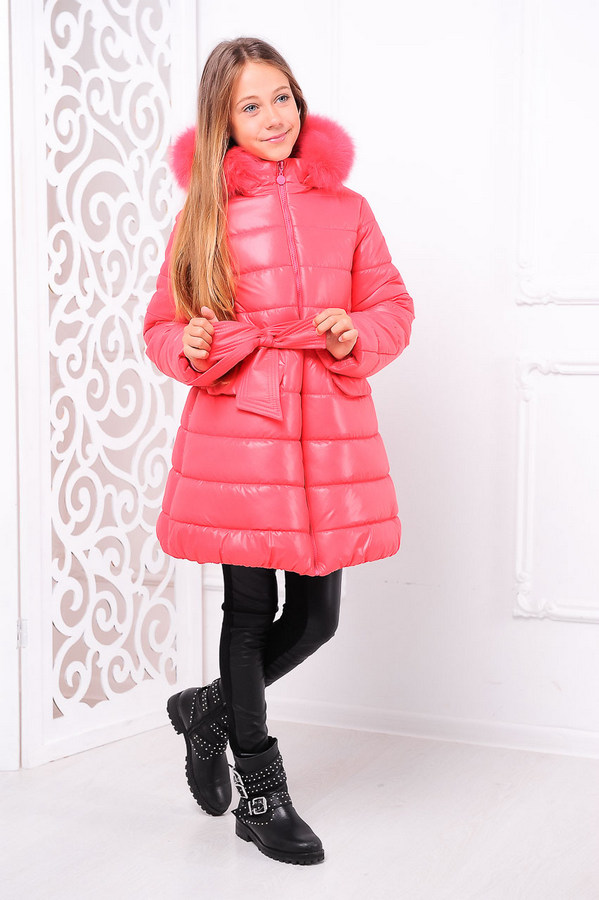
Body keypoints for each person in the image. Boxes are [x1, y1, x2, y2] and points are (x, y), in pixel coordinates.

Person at [143, 36, 415, 866]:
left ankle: (205, 709)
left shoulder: (349, 208)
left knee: (317, 617)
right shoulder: (203, 215)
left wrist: (351, 330)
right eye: (250, 105)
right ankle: (261, 793)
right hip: (241, 430)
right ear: (222, 122)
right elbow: (162, 326)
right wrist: (192, 344)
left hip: (325, 429)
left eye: (281, 98)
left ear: (301, 100)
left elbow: (391, 304)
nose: (271, 117)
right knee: (248, 610)